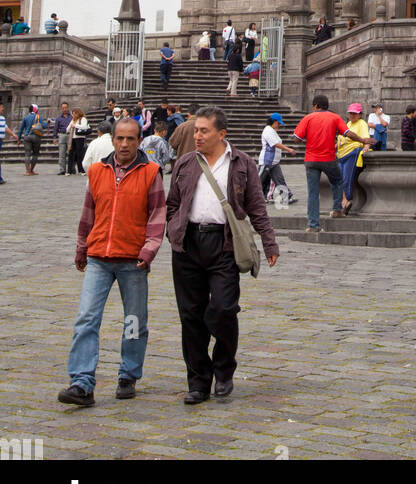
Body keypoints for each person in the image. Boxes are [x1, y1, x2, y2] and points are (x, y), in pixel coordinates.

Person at [166, 107, 279, 404]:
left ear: (221, 134)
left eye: (204, 131)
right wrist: (172, 230)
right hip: (188, 244)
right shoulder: (186, 163)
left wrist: (269, 243)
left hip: (225, 244)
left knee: (224, 308)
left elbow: (256, 205)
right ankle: (198, 381)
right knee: (190, 315)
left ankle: (224, 369)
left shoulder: (241, 163)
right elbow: (173, 203)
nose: (197, 135)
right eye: (196, 130)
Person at [57, 118, 165, 407]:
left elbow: (157, 217)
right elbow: (88, 213)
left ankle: (128, 373)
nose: (125, 144)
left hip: (133, 260)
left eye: (131, 139)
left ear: (139, 141)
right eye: (120, 139)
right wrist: (82, 247)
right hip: (98, 258)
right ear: (113, 139)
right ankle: (81, 383)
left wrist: (149, 250)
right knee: (86, 319)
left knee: (133, 322)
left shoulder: (151, 172)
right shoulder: (97, 171)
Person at [292, 94, 365, 231]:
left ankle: (313, 225)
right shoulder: (335, 117)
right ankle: (337, 209)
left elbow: (296, 138)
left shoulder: (308, 118)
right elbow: (348, 133)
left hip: (311, 160)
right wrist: (363, 140)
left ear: (315, 106)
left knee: (313, 193)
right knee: (337, 181)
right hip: (329, 159)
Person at [336, 104, 371, 214]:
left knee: (347, 177)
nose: (352, 115)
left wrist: (366, 147)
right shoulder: (348, 124)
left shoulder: (362, 124)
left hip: (352, 152)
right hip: (342, 153)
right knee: (340, 178)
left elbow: (366, 138)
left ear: (360, 114)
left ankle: (346, 200)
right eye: (350, 113)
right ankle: (343, 201)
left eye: (354, 113)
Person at [258, 113, 296, 203]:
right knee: (259, 179)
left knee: (279, 179)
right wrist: (288, 149)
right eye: (278, 123)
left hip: (274, 161)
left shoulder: (272, 131)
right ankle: (251, 197)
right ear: (274, 122)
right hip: (267, 160)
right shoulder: (268, 130)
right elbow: (275, 144)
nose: (279, 125)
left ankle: (286, 196)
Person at [19, 102, 45, 175]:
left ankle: (27, 171)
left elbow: (21, 129)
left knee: (27, 154)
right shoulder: (39, 117)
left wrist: (18, 138)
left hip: (27, 136)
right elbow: (43, 125)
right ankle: (32, 170)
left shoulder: (26, 117)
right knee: (35, 154)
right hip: (36, 137)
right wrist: (47, 122)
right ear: (36, 110)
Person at [55, 101, 73, 175]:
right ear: (61, 109)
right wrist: (54, 137)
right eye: (63, 108)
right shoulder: (58, 118)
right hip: (62, 135)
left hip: (70, 135)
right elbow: (56, 128)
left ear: (68, 108)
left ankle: (71, 169)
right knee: (62, 154)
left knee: (71, 153)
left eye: (66, 107)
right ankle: (62, 169)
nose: (64, 109)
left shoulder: (72, 117)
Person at [70, 109, 90, 174]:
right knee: (72, 154)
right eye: (72, 114)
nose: (73, 115)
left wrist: (75, 125)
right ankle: (71, 169)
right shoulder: (73, 120)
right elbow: (68, 128)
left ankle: (81, 169)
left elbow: (84, 127)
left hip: (80, 137)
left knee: (80, 154)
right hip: (73, 138)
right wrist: (71, 125)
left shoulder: (83, 119)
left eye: (74, 114)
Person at [0, 107, 18, 182]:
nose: (3, 109)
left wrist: (13, 134)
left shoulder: (2, 118)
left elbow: (5, 128)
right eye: (1, 107)